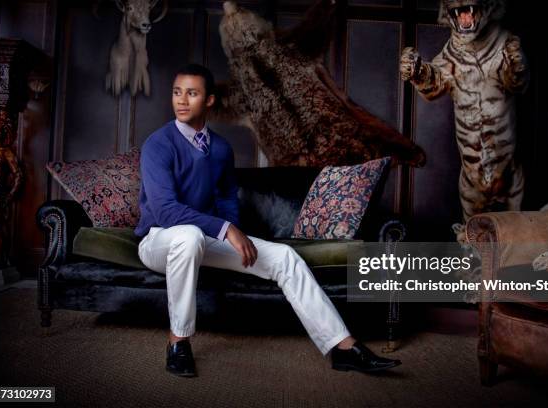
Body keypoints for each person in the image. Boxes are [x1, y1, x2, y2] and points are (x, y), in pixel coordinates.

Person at [135, 63, 401, 377]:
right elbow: (165, 211)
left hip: (201, 239)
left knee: (285, 257)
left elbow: (226, 200)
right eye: (177, 92)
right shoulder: (158, 144)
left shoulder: (220, 148)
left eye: (191, 93)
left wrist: (233, 231)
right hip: (159, 241)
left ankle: (343, 348)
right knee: (188, 235)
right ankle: (178, 342)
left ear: (209, 100)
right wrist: (226, 229)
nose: (181, 100)